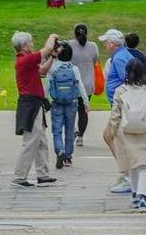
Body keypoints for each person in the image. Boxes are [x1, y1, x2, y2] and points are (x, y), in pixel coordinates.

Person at [106, 59, 146, 210]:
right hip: (145, 130)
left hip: (125, 131)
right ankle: (143, 196)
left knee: (133, 165)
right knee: (145, 165)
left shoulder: (120, 90)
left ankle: (136, 196)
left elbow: (115, 114)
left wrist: (113, 131)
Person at [10, 31, 58, 188]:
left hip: (36, 103)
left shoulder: (27, 61)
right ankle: (19, 176)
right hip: (30, 103)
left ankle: (43, 175)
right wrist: (52, 35)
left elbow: (42, 71)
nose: (32, 44)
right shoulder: (25, 59)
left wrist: (54, 56)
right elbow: (47, 47)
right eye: (30, 42)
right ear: (24, 46)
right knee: (31, 140)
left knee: (41, 139)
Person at [98, 28, 132, 192]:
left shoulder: (118, 59)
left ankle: (128, 175)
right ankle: (126, 173)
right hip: (120, 106)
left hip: (120, 107)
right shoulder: (123, 55)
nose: (105, 44)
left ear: (111, 43)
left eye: (106, 42)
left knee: (115, 139)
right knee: (110, 136)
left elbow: (127, 82)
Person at [45, 41, 88, 168]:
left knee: (57, 130)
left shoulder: (52, 68)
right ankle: (68, 157)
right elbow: (80, 85)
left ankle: (60, 151)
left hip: (57, 102)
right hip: (72, 103)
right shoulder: (74, 69)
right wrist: (85, 101)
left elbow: (47, 87)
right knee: (69, 130)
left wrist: (44, 100)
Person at [68, 23, 99, 146]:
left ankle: (72, 131)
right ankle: (80, 136)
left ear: (74, 33)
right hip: (87, 84)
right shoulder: (93, 46)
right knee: (83, 111)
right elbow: (95, 60)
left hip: (72, 83)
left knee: (70, 110)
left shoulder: (69, 45)